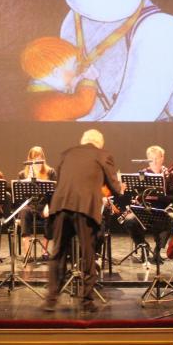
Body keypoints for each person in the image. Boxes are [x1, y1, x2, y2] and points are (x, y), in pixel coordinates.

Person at [43, 129, 122, 313]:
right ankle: (86, 301)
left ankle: (51, 299)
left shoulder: (67, 153)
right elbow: (114, 188)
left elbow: (62, 182)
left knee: (58, 252)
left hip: (61, 205)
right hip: (85, 208)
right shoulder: (103, 155)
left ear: (83, 141)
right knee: (88, 254)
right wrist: (119, 187)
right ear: (99, 143)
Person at [122, 145, 173, 264]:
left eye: (157, 158)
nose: (155, 161)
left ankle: (158, 250)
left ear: (162, 158)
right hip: (144, 210)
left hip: (162, 210)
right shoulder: (142, 174)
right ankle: (143, 245)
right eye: (151, 159)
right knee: (129, 220)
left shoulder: (169, 174)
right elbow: (135, 193)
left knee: (171, 218)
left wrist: (158, 197)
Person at [16, 146, 58, 256]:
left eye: (39, 158)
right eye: (34, 158)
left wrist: (49, 205)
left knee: (51, 215)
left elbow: (55, 193)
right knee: (24, 212)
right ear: (30, 160)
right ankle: (27, 252)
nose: (37, 161)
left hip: (45, 205)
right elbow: (21, 197)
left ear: (43, 159)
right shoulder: (23, 174)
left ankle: (44, 249)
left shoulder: (50, 172)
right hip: (30, 205)